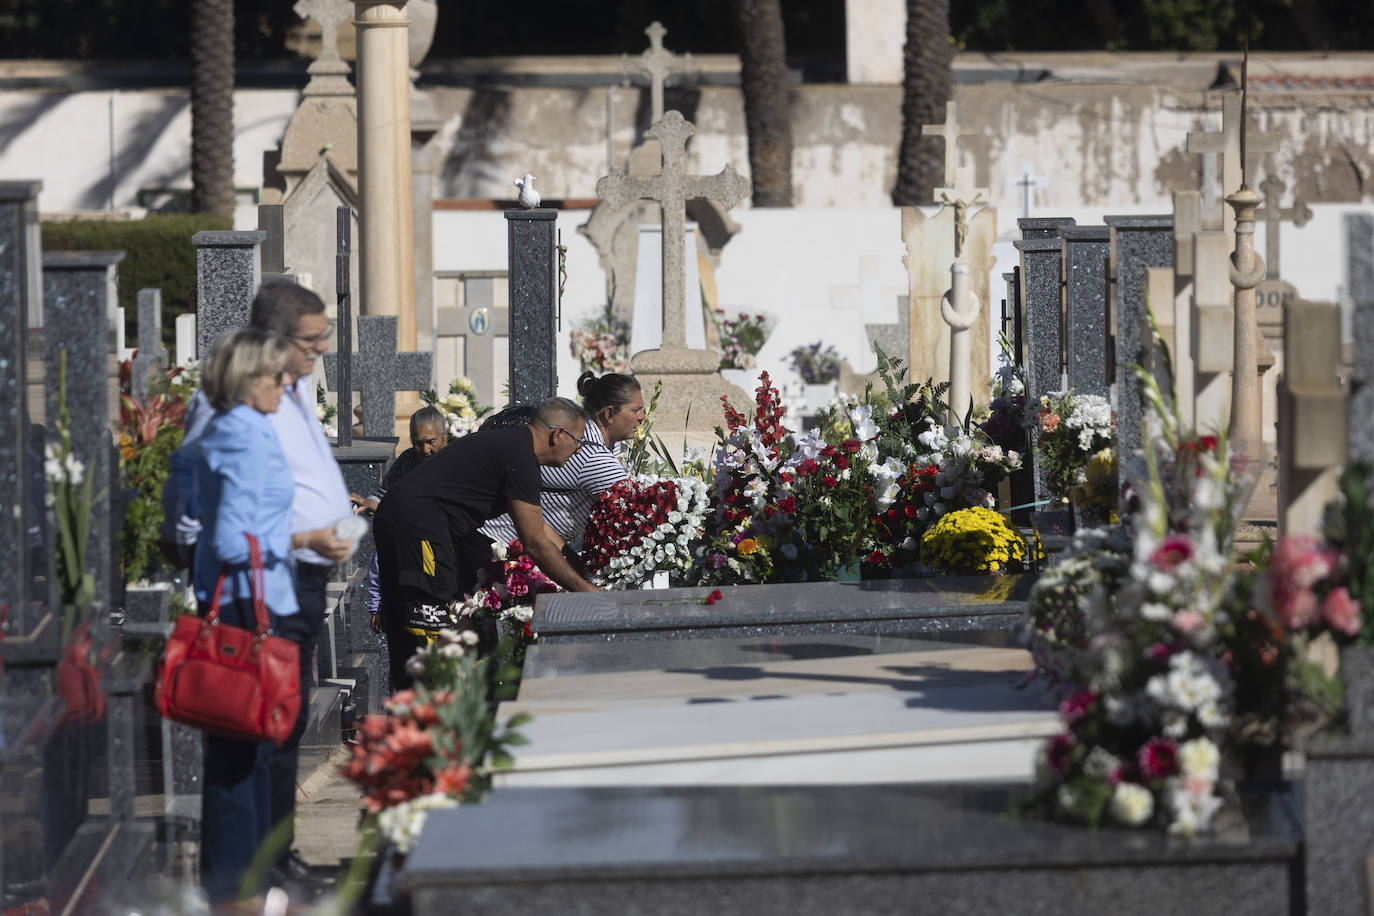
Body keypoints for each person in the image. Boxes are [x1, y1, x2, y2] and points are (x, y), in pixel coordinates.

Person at [167, 282, 352, 893]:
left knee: (284, 719)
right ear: (270, 346)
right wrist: (297, 541)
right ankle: (247, 874)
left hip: (287, 577)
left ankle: (275, 856)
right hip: (257, 585)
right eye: (311, 338)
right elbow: (200, 492)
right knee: (255, 724)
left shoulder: (287, 395)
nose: (321, 348)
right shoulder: (232, 413)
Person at [177, 328, 297, 905]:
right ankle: (235, 887)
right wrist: (299, 540)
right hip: (247, 603)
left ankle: (243, 881)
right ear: (250, 379)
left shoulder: (235, 428)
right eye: (277, 376)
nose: (287, 384)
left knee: (248, 747)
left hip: (248, 597)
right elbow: (230, 539)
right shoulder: (245, 435)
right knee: (240, 748)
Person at [371, 397, 601, 665]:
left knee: (417, 625)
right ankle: (428, 700)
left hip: (407, 523)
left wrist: (583, 573)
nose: (578, 449)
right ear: (558, 435)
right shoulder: (519, 454)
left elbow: (539, 528)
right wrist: (586, 592)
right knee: (427, 627)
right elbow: (535, 543)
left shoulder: (514, 449)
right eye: (578, 440)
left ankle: (419, 700)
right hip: (417, 528)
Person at [481, 371, 643, 552]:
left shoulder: (587, 438)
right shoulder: (591, 455)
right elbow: (637, 508)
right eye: (635, 410)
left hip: (509, 544)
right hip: (494, 546)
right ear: (609, 413)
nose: (642, 417)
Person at [349, 406, 449, 691]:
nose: (425, 449)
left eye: (432, 441)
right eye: (418, 442)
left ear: (445, 437)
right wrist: (366, 503)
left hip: (439, 568)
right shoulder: (407, 461)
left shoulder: (454, 462)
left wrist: (379, 508)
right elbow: (384, 493)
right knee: (406, 655)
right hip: (402, 567)